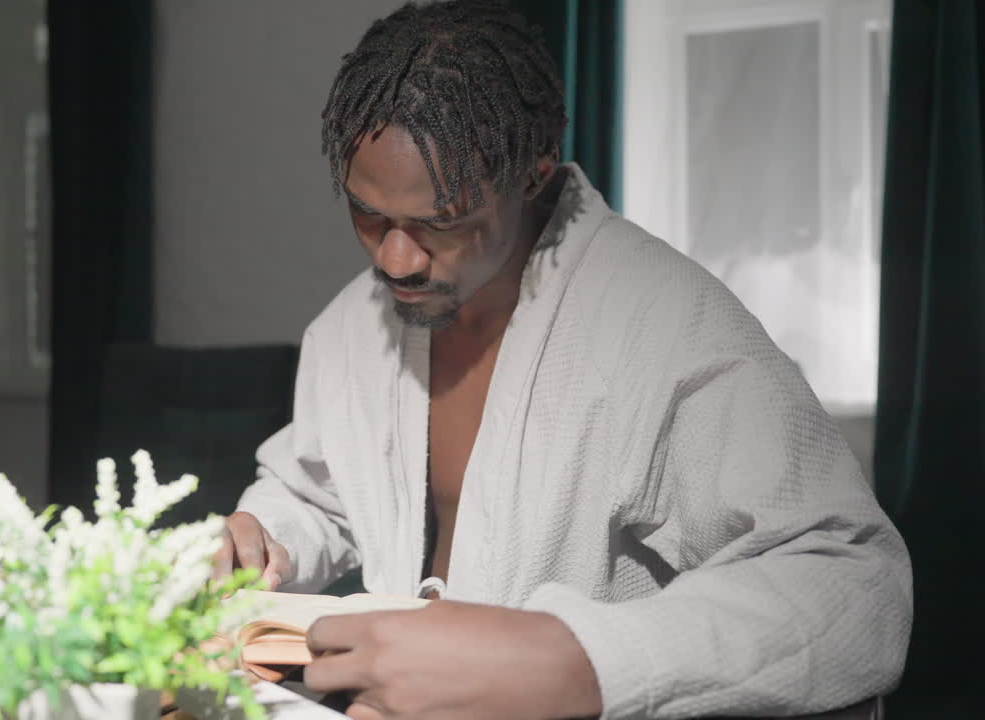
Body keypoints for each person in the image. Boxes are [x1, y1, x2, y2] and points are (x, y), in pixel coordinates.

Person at [213, 1, 912, 718]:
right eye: (369, 215)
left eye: (441, 221)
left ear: (532, 167)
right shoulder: (351, 329)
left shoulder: (665, 325)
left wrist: (577, 662)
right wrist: (266, 536)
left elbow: (854, 586)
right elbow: (319, 491)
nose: (396, 258)